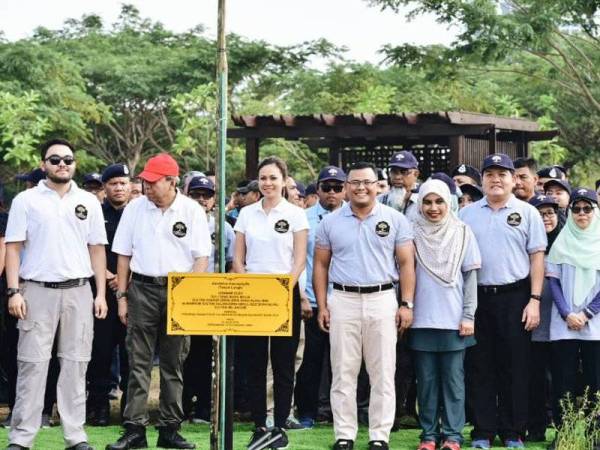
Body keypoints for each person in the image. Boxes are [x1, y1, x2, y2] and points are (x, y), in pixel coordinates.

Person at [5, 138, 108, 450]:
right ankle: (22, 438)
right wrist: (13, 291)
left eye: (68, 159)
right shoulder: (26, 201)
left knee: (76, 365)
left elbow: (97, 250)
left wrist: (101, 293)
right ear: (43, 165)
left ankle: (75, 436)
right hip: (36, 291)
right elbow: (13, 247)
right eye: (55, 160)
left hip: (79, 291)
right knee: (32, 364)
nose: (62, 164)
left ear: (74, 164)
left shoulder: (89, 201)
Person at [107, 153, 211, 450]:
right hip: (141, 288)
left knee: (173, 364)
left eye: (153, 182)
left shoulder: (191, 210)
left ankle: (170, 429)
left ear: (172, 181)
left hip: (179, 289)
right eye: (145, 181)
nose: (147, 187)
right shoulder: (135, 209)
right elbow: (123, 256)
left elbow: (201, 258)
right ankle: (134, 430)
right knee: (137, 363)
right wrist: (122, 297)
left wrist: (188, 295)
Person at [314, 161, 416, 450]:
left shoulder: (395, 219)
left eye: (367, 182)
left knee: (383, 371)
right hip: (343, 299)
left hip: (383, 298)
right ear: (347, 187)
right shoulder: (330, 222)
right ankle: (344, 435)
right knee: (343, 371)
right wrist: (322, 304)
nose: (361, 187)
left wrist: (406, 303)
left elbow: (407, 264)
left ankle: (378, 436)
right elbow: (321, 266)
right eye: (355, 182)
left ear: (376, 185)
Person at [460, 153, 546, 449]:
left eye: (502, 174)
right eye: (490, 174)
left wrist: (534, 300)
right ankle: (483, 430)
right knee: (480, 366)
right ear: (481, 180)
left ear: (513, 179)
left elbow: (537, 258)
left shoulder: (527, 213)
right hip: (478, 298)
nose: (496, 179)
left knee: (515, 366)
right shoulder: (467, 215)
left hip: (516, 297)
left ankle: (513, 431)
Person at [232, 156, 308, 449]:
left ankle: (279, 425)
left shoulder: (295, 214)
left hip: (283, 294)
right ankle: (259, 424)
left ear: (284, 181)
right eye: (263, 178)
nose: (267, 183)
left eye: (273, 178)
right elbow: (238, 258)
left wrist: (282, 288)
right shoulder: (247, 214)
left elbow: (299, 260)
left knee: (283, 363)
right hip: (252, 294)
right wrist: (249, 284)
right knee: (254, 363)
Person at [409, 179, 481, 450]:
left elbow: (470, 277)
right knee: (426, 383)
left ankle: (452, 436)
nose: (433, 207)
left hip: (453, 320)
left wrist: (468, 316)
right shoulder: (411, 232)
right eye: (427, 202)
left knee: (453, 383)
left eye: (439, 201)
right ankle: (428, 435)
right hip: (421, 320)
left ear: (449, 202)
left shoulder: (462, 232)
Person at [546, 188, 600, 450]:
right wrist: (568, 313)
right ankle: (563, 434)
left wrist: (587, 313)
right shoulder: (562, 242)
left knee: (595, 381)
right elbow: (553, 282)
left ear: (595, 211)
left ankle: (593, 435)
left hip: (595, 324)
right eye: (576, 209)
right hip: (564, 323)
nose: (581, 214)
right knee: (562, 381)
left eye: (587, 208)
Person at [294, 166, 346, 429]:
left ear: (345, 189)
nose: (332, 193)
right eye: (327, 187)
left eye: (338, 187)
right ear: (318, 189)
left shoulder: (354, 215)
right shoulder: (304, 219)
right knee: (310, 362)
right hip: (313, 301)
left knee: (344, 364)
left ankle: (340, 413)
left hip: (345, 301)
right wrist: (302, 296)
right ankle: (307, 412)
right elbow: (298, 261)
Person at [183, 175, 235, 423]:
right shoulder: (179, 221)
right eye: (196, 194)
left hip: (212, 297)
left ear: (214, 198)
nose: (201, 199)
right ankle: (180, 407)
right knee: (181, 355)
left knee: (207, 357)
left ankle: (204, 407)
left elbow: (231, 261)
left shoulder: (223, 227)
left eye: (207, 194)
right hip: (183, 297)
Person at [86, 164, 132, 426]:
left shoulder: (138, 214)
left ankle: (129, 409)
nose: (119, 188)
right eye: (113, 183)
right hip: (100, 292)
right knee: (100, 352)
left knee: (131, 354)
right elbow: (85, 246)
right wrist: (107, 275)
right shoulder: (94, 213)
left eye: (123, 183)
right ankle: (99, 407)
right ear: (104, 187)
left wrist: (124, 280)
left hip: (132, 292)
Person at [525, 194, 564, 443]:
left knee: (560, 380)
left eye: (549, 213)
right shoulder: (526, 245)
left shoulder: (566, 242)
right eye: (539, 213)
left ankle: (561, 429)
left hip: (561, 325)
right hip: (534, 324)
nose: (545, 218)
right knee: (535, 379)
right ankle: (536, 427)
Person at [378, 151, 420, 219]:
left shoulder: (423, 201)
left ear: (416, 174)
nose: (397, 177)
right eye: (394, 171)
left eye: (404, 172)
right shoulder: (379, 201)